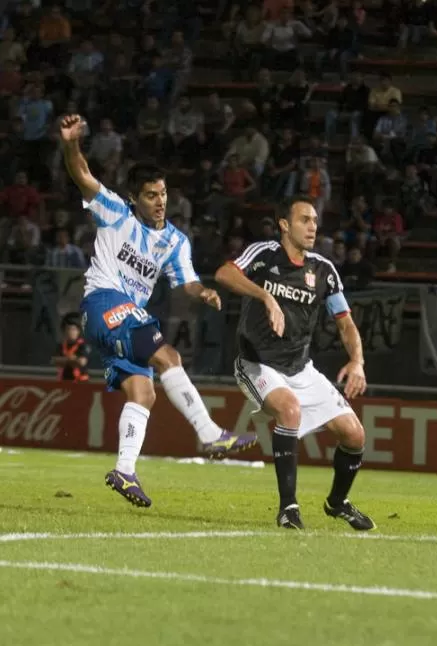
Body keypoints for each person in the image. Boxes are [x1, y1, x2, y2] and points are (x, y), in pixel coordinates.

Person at [58, 114, 258, 509]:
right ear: (135, 198)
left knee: (143, 392)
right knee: (169, 356)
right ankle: (209, 432)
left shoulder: (175, 241)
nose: (161, 201)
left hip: (120, 317)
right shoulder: (114, 211)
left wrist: (204, 293)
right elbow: (80, 173)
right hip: (104, 302)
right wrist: (70, 143)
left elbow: (186, 281)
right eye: (151, 194)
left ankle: (125, 470)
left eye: (163, 193)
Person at [214, 196, 375, 532]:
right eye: (304, 219)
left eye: (315, 219)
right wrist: (265, 296)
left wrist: (357, 361)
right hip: (258, 363)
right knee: (289, 410)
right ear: (284, 225)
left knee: (355, 436)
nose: (313, 226)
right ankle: (288, 507)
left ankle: (337, 503)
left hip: (300, 367)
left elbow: (345, 323)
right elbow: (224, 273)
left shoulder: (323, 271)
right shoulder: (264, 254)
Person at [52, 313, 91, 382]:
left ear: (78, 331)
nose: (71, 332)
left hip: (80, 382)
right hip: (64, 380)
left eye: (73, 329)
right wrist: (72, 359)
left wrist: (64, 360)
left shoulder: (83, 345)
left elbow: (82, 362)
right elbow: (54, 360)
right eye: (68, 329)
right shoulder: (61, 345)